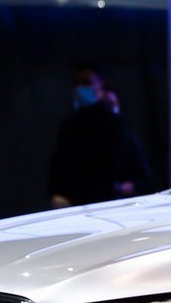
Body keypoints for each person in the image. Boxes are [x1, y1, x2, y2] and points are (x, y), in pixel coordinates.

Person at [47, 68, 149, 206]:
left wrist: (128, 186)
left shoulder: (114, 125)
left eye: (85, 82)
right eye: (76, 83)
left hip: (109, 203)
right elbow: (60, 165)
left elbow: (139, 173)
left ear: (101, 87)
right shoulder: (71, 126)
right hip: (78, 203)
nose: (80, 88)